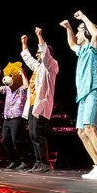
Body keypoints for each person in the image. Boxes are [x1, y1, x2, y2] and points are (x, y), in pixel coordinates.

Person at [58, 10, 97, 179]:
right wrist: (68, 27)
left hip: (94, 90)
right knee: (82, 132)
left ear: (86, 33)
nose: (77, 34)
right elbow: (71, 44)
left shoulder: (94, 48)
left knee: (90, 128)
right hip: (83, 95)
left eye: (79, 31)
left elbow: (96, 33)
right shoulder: (82, 50)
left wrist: (83, 17)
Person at [19, 27, 59, 173]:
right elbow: (27, 58)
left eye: (39, 52)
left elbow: (45, 53)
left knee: (37, 134)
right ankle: (38, 162)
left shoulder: (52, 65)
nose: (37, 54)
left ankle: (45, 163)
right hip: (32, 104)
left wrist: (39, 36)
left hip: (42, 105)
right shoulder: (38, 67)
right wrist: (24, 43)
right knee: (32, 134)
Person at [0, 62, 32, 170]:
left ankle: (24, 161)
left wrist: (22, 74)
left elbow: (26, 86)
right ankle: (14, 160)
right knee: (5, 140)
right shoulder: (7, 89)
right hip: (7, 118)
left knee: (16, 140)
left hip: (17, 118)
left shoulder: (21, 89)